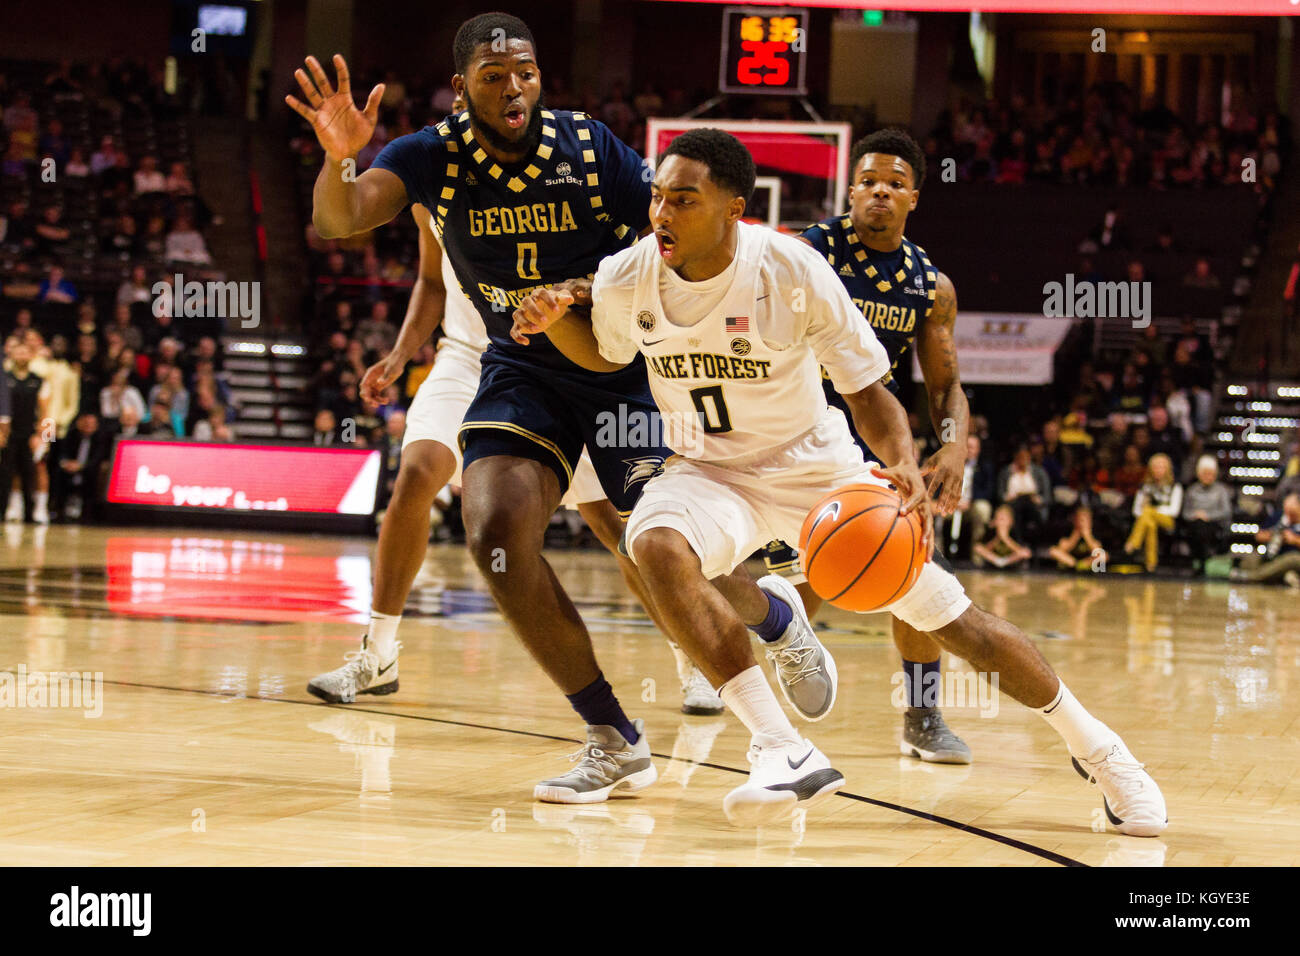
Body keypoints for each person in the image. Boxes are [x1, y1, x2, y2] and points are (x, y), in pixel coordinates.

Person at [513, 128, 1167, 834]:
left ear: (736, 207)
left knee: (954, 622)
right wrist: (554, 323)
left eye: (684, 200)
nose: (662, 214)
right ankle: (782, 748)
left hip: (813, 468)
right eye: (658, 198)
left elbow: (868, 391)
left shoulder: (791, 270)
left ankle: (1099, 748)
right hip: (707, 469)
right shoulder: (627, 275)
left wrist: (906, 463)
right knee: (654, 546)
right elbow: (606, 353)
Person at [286, 14, 738, 792]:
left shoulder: (592, 147)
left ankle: (768, 626)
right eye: (494, 77)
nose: (514, 86)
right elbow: (340, 218)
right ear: (463, 88)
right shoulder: (429, 155)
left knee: (656, 542)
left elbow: (674, 233)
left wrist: (632, 300)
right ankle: (611, 733)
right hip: (517, 367)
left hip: (617, 361)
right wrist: (341, 158)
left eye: (524, 71)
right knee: (493, 528)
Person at [757, 128, 975, 763]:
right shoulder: (807, 252)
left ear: (914, 199)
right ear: (850, 190)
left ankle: (923, 716)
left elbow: (948, 385)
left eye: (895, 184)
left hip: (877, 441)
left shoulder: (930, 286)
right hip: (791, 431)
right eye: (869, 181)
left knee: (908, 568)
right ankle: (727, 678)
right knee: (793, 579)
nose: (880, 191)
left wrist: (954, 445)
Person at [1, 341, 51, 523]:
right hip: (8, 434)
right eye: (18, 352)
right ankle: (10, 509)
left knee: (33, 471)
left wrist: (45, 439)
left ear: (31, 356)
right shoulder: (4, 379)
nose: (22, 356)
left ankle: (36, 510)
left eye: (25, 352)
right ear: (12, 355)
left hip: (31, 434)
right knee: (8, 472)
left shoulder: (39, 380)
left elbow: (47, 413)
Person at [1123, 452, 1183, 571]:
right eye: (1155, 467)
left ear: (1167, 469)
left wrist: (1154, 510)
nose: (1158, 470)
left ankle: (1134, 542)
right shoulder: (1145, 486)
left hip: (1167, 521)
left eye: (1161, 467)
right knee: (1150, 524)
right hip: (1147, 520)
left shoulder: (1175, 486)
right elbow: (1136, 510)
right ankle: (1151, 563)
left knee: (1148, 511)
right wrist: (1148, 512)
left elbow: (1174, 511)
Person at [1233, 493, 1300, 587]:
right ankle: (1283, 577)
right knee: (1250, 559)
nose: (1288, 513)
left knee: (1292, 559)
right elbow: (1259, 536)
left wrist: (1294, 539)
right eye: (1287, 509)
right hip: (1272, 555)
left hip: (1294, 557)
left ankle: (1251, 577)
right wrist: (1275, 534)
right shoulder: (1279, 517)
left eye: (1292, 511)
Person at [1180, 455, 1231, 572]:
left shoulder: (1221, 490)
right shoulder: (1191, 490)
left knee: (1203, 527)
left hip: (1215, 524)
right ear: (1199, 473)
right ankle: (1201, 559)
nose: (1208, 476)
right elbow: (1185, 513)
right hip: (1195, 524)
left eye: (1211, 473)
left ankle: (1202, 561)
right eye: (1205, 473)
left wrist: (1208, 516)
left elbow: (1226, 511)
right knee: (1198, 525)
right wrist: (1196, 515)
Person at [973, 504, 1033, 569]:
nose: (1001, 523)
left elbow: (1020, 551)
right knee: (977, 548)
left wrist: (1006, 539)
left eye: (1003, 519)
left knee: (1025, 552)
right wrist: (997, 538)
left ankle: (1003, 562)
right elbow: (985, 549)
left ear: (1011, 521)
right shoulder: (991, 531)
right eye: (998, 519)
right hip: (994, 560)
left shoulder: (1015, 532)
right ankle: (999, 562)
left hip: (1010, 561)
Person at [1048, 506, 1107, 572]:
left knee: (1103, 556)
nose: (1082, 523)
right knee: (1053, 551)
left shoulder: (1094, 532)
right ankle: (1075, 565)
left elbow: (1097, 551)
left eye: (1085, 520)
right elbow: (1062, 548)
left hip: (1087, 562)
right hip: (1070, 560)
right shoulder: (1068, 529)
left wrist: (1087, 536)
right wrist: (1075, 535)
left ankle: (1081, 566)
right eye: (1080, 519)